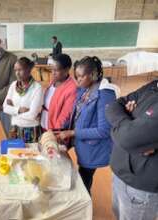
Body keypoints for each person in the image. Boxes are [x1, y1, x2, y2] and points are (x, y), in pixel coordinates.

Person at [56, 56, 117, 193]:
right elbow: (76, 113)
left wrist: (72, 132)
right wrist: (62, 128)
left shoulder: (105, 95)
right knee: (79, 176)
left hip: (92, 148)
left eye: (80, 77)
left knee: (84, 183)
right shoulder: (84, 90)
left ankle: (85, 209)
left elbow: (103, 130)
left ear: (93, 75)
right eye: (76, 77)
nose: (77, 81)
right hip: (82, 143)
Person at [105, 81, 158, 220]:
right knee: (117, 214)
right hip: (119, 172)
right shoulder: (154, 85)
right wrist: (129, 124)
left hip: (140, 187)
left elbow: (127, 138)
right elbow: (114, 105)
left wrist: (128, 116)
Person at [3, 57, 44, 143]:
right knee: (15, 154)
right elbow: (5, 108)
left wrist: (13, 113)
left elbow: (32, 115)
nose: (17, 73)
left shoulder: (37, 88)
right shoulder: (13, 85)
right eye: (15, 70)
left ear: (29, 70)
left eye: (20, 70)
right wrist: (19, 110)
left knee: (30, 155)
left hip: (30, 130)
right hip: (15, 129)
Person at [40, 54, 77, 132]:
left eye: (56, 70)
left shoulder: (72, 89)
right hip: (44, 124)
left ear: (66, 70)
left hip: (55, 130)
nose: (53, 73)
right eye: (52, 69)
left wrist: (55, 132)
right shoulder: (54, 81)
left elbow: (65, 116)